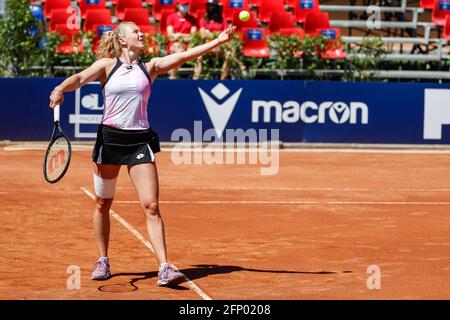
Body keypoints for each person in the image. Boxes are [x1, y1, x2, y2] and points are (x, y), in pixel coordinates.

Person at [48, 21, 237, 286]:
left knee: (152, 205)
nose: (142, 33)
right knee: (103, 204)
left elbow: (184, 55)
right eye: (136, 31)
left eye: (141, 30)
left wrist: (217, 42)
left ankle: (164, 267)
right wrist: (60, 89)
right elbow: (79, 78)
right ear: (123, 40)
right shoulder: (106, 66)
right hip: (110, 140)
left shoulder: (150, 67)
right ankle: (103, 259)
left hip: (139, 140)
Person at [194, 0, 228, 79]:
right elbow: (203, 35)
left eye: (212, 6)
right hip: (206, 45)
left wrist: (209, 33)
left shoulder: (222, 20)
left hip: (220, 46)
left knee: (229, 56)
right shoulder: (203, 19)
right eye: (209, 6)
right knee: (198, 57)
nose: (210, 8)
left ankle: (222, 80)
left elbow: (225, 34)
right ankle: (195, 80)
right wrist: (217, 34)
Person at [166, 0, 198, 79]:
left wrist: (180, 35)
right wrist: (184, 37)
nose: (185, 7)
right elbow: (171, 36)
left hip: (188, 44)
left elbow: (193, 37)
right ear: (178, 6)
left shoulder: (192, 19)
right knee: (179, 51)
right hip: (175, 44)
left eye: (187, 5)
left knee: (198, 55)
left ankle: (196, 80)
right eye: (183, 5)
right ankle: (172, 77)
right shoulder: (171, 17)